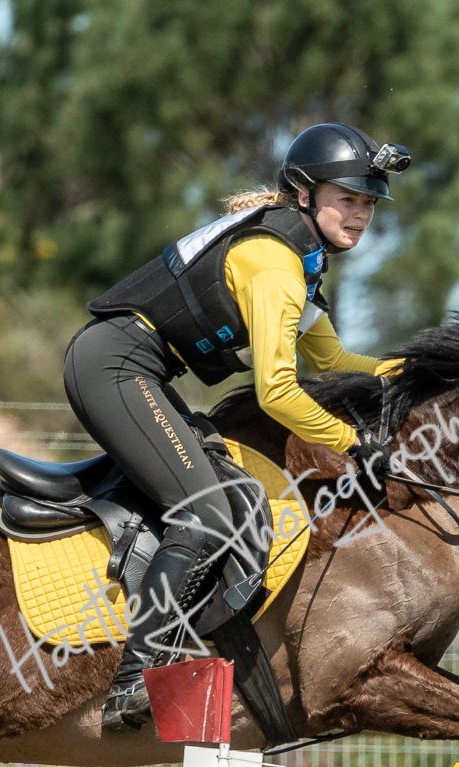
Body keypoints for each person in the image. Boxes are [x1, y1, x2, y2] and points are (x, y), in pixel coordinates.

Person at [66, 122, 412, 732]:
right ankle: (132, 682)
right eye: (348, 198)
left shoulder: (298, 261)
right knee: (204, 515)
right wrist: (353, 443)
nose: (360, 215)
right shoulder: (276, 266)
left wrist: (413, 372)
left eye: (367, 203)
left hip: (136, 369)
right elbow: (277, 390)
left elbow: (330, 362)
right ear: (303, 194)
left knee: (231, 501)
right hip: (115, 367)